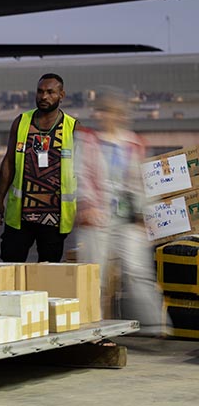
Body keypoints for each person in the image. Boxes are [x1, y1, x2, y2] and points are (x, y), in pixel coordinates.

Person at [75, 86, 165, 334]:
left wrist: (144, 214)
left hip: (126, 218)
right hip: (97, 218)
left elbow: (141, 182)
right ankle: (92, 329)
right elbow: (79, 176)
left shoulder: (133, 143)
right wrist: (87, 206)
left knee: (137, 271)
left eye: (114, 112)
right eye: (104, 111)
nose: (108, 116)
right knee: (95, 277)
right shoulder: (87, 140)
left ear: (121, 114)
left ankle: (154, 326)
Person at [0, 73, 78, 263]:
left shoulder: (72, 128)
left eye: (50, 92)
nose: (44, 96)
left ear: (61, 95)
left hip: (54, 217)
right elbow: (8, 162)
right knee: (10, 265)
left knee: (48, 273)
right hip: (20, 216)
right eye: (40, 92)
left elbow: (84, 171)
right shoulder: (22, 122)